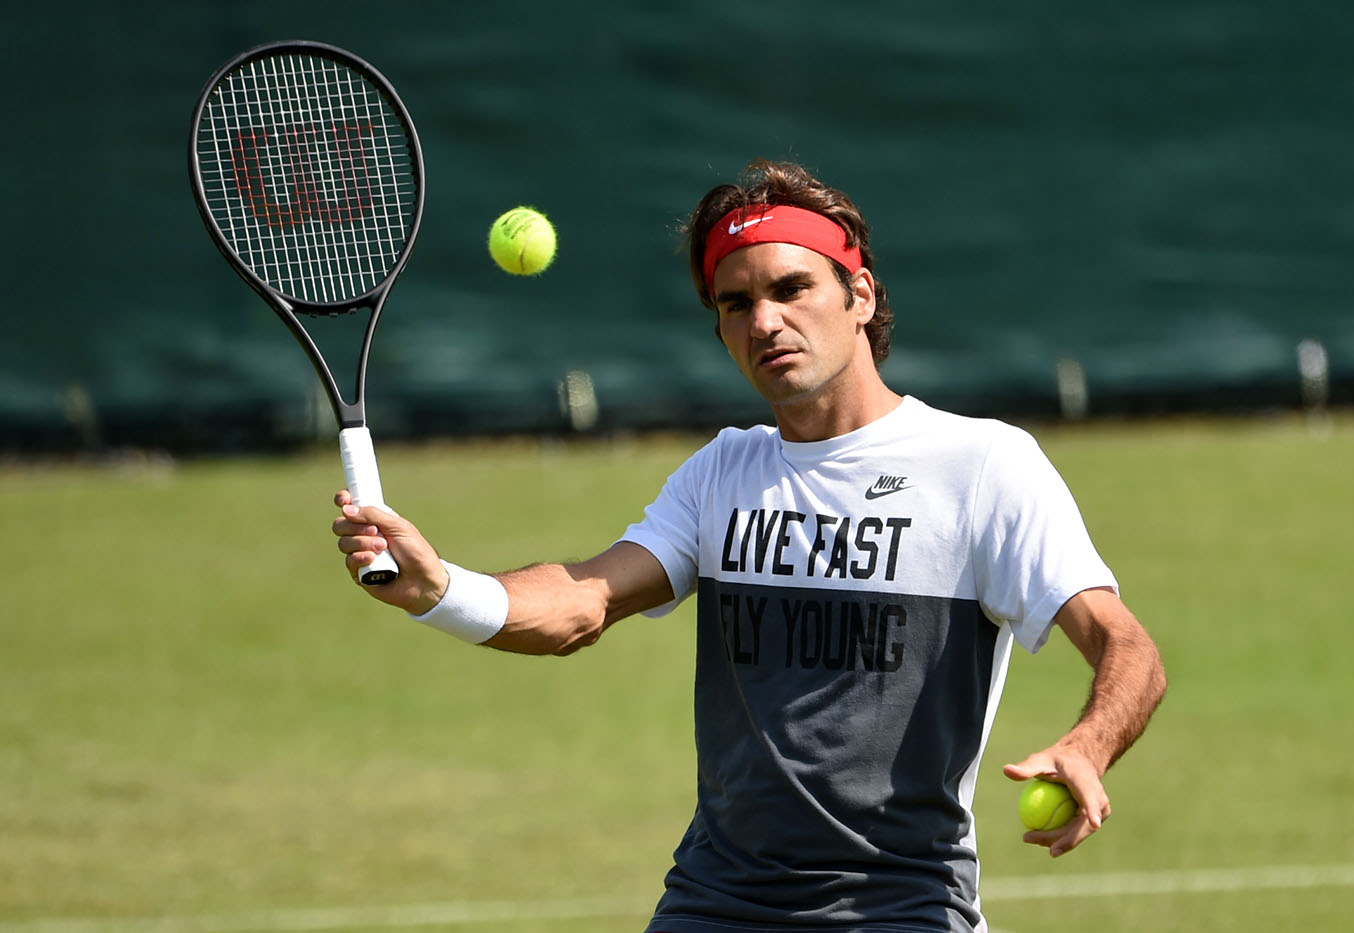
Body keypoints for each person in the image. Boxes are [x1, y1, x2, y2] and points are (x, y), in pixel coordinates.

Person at [331, 159, 1167, 933]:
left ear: (861, 296)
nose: (765, 320)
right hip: (712, 902)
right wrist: (444, 587)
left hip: (898, 905)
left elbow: (1129, 648)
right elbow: (584, 601)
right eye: (735, 303)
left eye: (792, 287)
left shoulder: (981, 466)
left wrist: (1087, 745)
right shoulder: (722, 471)